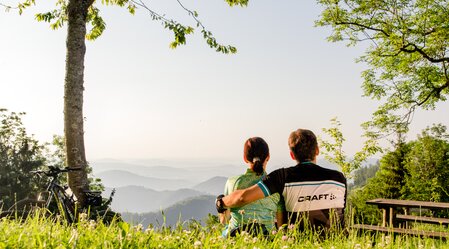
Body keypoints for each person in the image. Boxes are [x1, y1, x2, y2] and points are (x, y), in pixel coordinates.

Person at [216, 129, 347, 232]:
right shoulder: (339, 179)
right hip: (336, 242)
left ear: (292, 155)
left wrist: (221, 202)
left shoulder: (282, 177)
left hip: (299, 243)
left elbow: (243, 198)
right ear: (317, 150)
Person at [218, 137, 285, 237]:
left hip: (235, 238)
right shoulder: (276, 184)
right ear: (268, 157)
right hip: (267, 239)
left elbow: (224, 220)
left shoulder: (233, 182)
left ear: (245, 158)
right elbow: (281, 226)